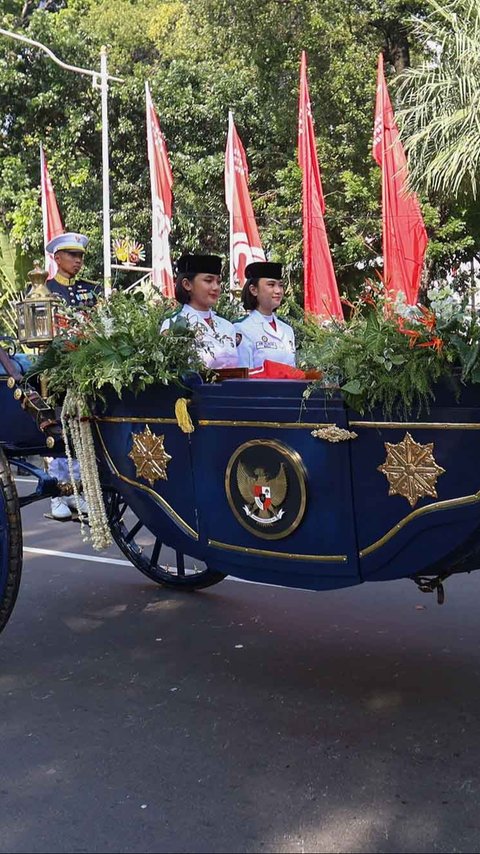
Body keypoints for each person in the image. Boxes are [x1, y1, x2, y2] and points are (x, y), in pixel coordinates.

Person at [45, 232, 98, 520]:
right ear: (57, 258)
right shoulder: (45, 290)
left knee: (81, 431)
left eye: (80, 256)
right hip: (57, 372)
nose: (78, 261)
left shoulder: (90, 290)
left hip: (85, 369)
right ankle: (57, 494)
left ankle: (77, 493)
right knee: (57, 430)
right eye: (72, 255)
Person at [160, 254, 238, 369]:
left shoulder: (227, 327)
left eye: (218, 282)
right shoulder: (173, 325)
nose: (216, 287)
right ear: (187, 284)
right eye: (208, 280)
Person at [234, 261, 296, 370]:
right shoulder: (242, 328)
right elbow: (244, 377)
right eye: (271, 285)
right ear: (254, 290)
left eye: (280, 285)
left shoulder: (287, 330)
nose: (278, 291)